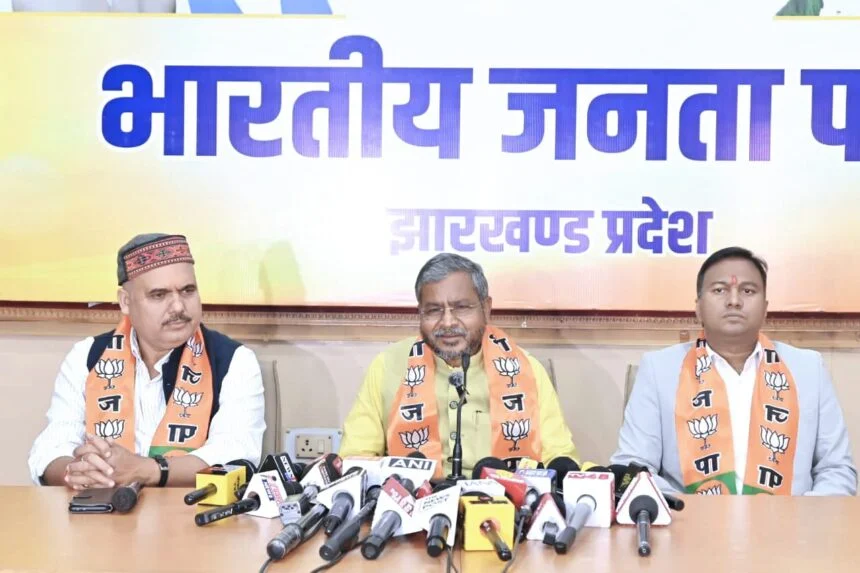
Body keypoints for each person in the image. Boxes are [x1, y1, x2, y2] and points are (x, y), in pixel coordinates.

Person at [612, 247, 856, 495]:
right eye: (719, 290)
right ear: (698, 307)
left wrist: (800, 516)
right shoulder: (659, 369)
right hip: (687, 518)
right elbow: (632, 467)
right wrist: (685, 511)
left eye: (748, 291)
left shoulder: (809, 369)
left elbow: (837, 470)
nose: (734, 301)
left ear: (765, 308)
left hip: (792, 518)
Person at [28, 234, 265, 489]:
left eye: (188, 291)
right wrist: (78, 472)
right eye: (159, 295)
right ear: (126, 302)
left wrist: (147, 471)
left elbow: (235, 453)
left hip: (190, 510)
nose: (178, 307)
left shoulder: (234, 361)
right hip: (100, 508)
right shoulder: (87, 356)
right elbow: (52, 447)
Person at [339, 253, 580, 478]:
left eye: (462, 308)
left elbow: (558, 460)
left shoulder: (527, 370)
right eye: (433, 310)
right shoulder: (387, 367)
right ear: (419, 313)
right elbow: (356, 458)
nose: (447, 322)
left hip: (505, 501)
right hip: (415, 500)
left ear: (486, 308)